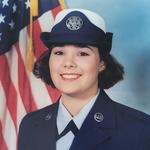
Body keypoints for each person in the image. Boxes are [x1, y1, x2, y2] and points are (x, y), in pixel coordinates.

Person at [18, 9, 150, 150]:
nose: (68, 63)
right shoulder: (31, 125)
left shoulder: (140, 130)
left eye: (82, 53)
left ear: (101, 63)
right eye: (59, 52)